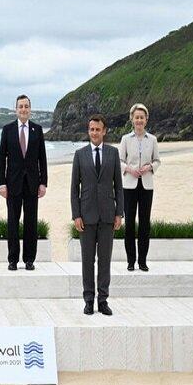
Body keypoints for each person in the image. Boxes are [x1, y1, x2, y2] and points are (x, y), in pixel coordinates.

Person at [70, 114, 123, 316]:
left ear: (104, 131)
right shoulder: (79, 154)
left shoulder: (113, 153)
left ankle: (103, 300)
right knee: (87, 261)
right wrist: (76, 215)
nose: (94, 133)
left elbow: (119, 186)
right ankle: (88, 300)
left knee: (104, 260)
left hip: (108, 215)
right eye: (91, 129)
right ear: (88, 131)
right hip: (86, 215)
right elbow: (74, 188)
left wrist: (119, 213)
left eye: (98, 129)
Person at [0, 94, 47, 271]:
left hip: (32, 183)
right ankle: (12, 259)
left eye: (26, 106)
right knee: (13, 222)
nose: (24, 109)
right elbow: (2, 158)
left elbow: (42, 158)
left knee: (31, 222)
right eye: (21, 106)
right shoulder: (8, 130)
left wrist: (43, 183)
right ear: (16, 109)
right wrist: (1, 183)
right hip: (13, 184)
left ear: (30, 109)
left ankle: (29, 259)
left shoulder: (37, 130)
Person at [119, 103, 161, 272]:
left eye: (142, 117)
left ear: (146, 119)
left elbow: (157, 160)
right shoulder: (125, 139)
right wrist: (129, 169)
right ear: (132, 119)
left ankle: (142, 261)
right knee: (129, 223)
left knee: (144, 223)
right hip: (129, 185)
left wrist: (149, 167)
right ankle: (131, 261)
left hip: (146, 185)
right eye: (136, 117)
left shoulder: (152, 139)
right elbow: (120, 161)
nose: (139, 120)